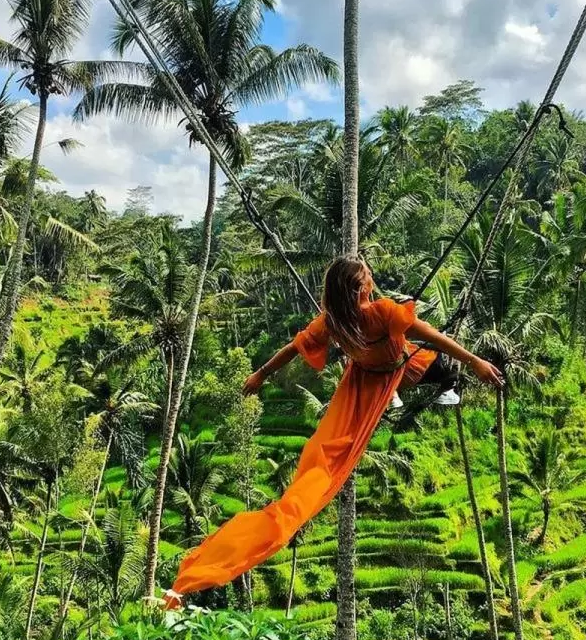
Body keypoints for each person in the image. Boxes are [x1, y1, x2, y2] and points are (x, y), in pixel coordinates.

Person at [164, 256, 503, 607]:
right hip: (373, 381)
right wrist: (474, 360)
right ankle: (428, 389)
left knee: (326, 453)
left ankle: (412, 392)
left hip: (373, 377)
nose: (372, 279)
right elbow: (432, 335)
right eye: (368, 277)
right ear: (362, 288)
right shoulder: (384, 313)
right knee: (324, 461)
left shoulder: (333, 322)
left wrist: (261, 375)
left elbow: (291, 350)